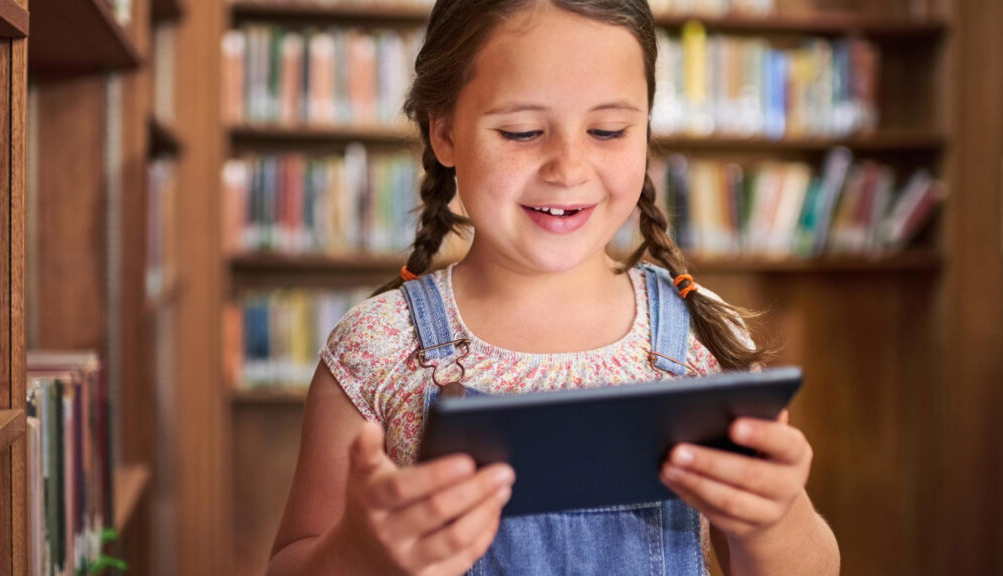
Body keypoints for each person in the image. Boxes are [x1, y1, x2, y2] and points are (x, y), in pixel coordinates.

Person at [267, 1, 840, 574]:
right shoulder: (379, 348)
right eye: (522, 132)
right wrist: (356, 556)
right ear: (444, 132)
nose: (568, 167)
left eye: (608, 130)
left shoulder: (703, 339)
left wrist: (777, 519)